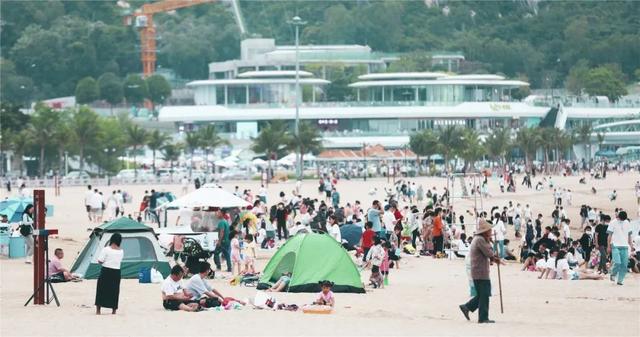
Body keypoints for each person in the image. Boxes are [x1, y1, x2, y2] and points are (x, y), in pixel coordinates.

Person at [459, 219, 502, 324]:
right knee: (485, 294)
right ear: (485, 231)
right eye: (489, 230)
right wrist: (492, 245)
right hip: (480, 271)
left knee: (483, 294)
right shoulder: (480, 240)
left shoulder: (480, 239)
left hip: (479, 270)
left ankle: (467, 307)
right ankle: (482, 317)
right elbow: (489, 253)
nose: (491, 232)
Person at [95, 233, 123, 315]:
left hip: (106, 271)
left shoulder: (106, 249)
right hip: (116, 272)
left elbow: (100, 261)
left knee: (101, 290)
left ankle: (98, 310)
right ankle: (113, 310)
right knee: (114, 291)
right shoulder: (121, 251)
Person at [607, 211, 633, 285]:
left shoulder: (627, 222)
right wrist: (608, 246)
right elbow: (609, 236)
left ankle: (620, 281)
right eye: (621, 219)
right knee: (617, 262)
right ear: (618, 217)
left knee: (624, 265)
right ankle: (613, 274)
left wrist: (631, 245)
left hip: (625, 246)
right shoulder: (613, 222)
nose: (622, 220)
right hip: (615, 245)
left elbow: (629, 235)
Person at [213, 208, 232, 272]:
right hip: (227, 240)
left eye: (218, 213)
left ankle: (218, 267)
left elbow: (222, 232)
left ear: (221, 214)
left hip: (223, 241)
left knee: (216, 253)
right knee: (226, 254)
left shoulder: (221, 222)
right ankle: (229, 268)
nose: (217, 214)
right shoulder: (225, 221)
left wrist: (219, 241)